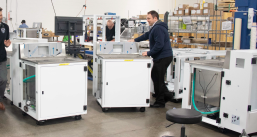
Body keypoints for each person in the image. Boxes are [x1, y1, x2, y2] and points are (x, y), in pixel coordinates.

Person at [128, 10, 173, 108]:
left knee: (158, 78)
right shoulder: (155, 27)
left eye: (149, 18)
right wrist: (135, 40)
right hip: (162, 56)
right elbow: (147, 35)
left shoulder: (158, 28)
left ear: (155, 18)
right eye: (147, 18)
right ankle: (167, 95)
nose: (147, 20)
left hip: (163, 57)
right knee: (155, 76)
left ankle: (160, 102)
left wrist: (149, 53)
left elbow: (159, 44)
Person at [0, 7, 12, 110]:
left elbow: (7, 41)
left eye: (0, 15)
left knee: (3, 79)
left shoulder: (5, 27)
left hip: (2, 57)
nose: (0, 17)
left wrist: (7, 44)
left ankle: (0, 100)